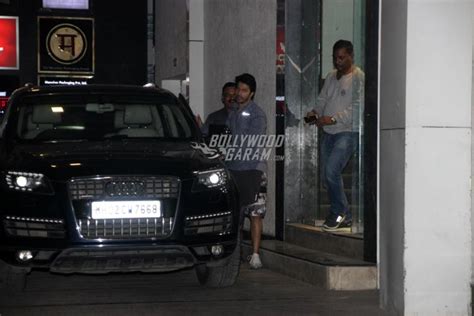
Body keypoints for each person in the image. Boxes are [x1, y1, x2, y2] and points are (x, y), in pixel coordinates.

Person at [305, 40, 364, 232]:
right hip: (328, 133)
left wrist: (333, 119)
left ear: (351, 56)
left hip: (347, 132)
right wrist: (315, 112)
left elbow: (358, 107)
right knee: (326, 176)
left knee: (331, 171)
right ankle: (344, 214)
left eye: (341, 57)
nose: (338, 61)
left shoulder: (358, 77)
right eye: (335, 57)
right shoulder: (331, 77)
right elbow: (322, 99)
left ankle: (338, 212)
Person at [226, 73, 267, 269]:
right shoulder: (232, 112)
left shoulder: (257, 113)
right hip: (234, 169)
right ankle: (236, 253)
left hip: (253, 169)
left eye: (244, 90)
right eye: (238, 89)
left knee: (255, 212)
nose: (240, 94)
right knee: (237, 213)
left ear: (252, 93)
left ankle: (256, 254)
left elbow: (253, 141)